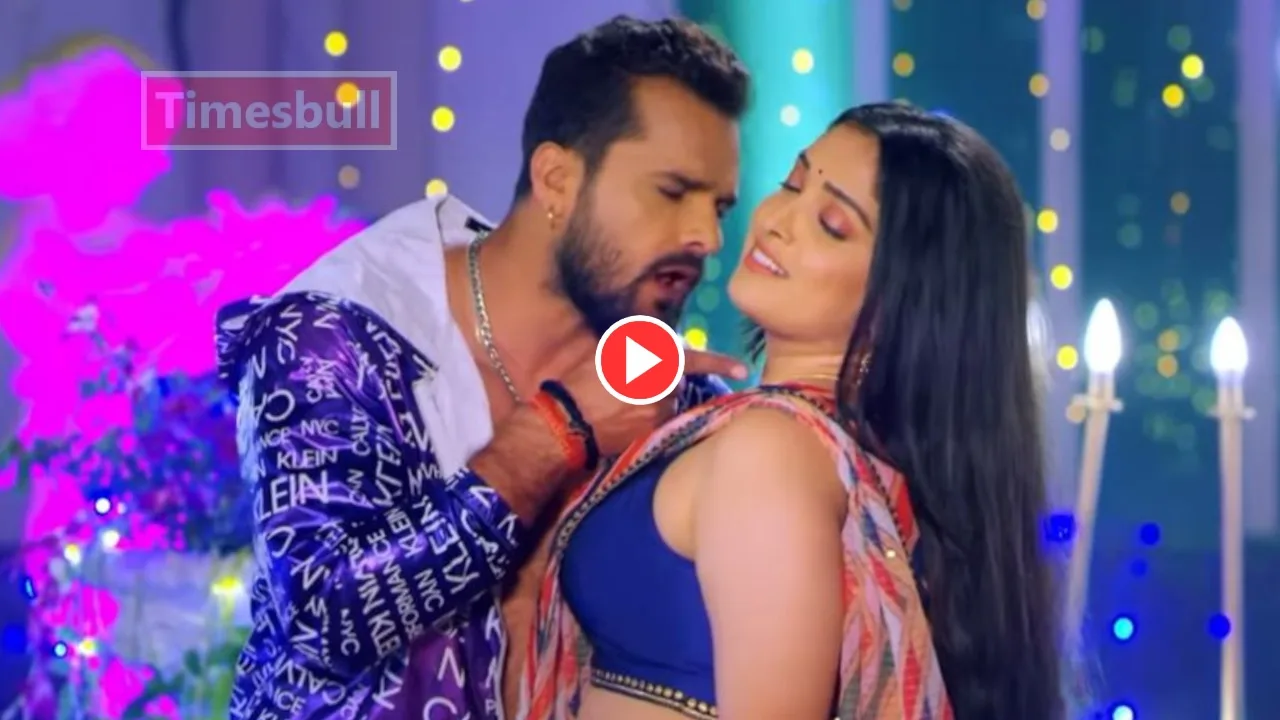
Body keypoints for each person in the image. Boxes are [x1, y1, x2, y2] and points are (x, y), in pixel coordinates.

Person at [214, 16, 750, 720]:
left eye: (718, 208)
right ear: (557, 179)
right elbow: (323, 617)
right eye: (672, 192)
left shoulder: (664, 386)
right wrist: (553, 435)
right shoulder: (335, 333)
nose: (706, 237)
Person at [520, 103, 1067, 720]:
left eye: (832, 224)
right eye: (792, 184)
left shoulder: (770, 452)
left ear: (902, 303)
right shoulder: (825, 448)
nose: (778, 221)